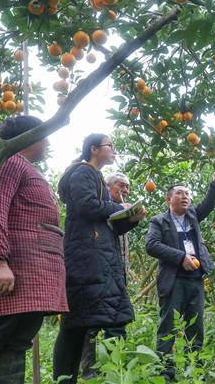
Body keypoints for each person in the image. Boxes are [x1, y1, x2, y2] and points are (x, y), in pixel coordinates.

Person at [0, 115, 68, 384]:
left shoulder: (23, 167)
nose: (48, 142)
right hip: (15, 268)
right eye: (45, 135)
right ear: (31, 137)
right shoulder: (7, 162)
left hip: (33, 272)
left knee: (17, 341)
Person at [53, 134, 145, 384]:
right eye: (110, 146)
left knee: (83, 323)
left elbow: (106, 225)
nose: (114, 150)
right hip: (87, 260)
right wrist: (121, 209)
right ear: (94, 150)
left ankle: (77, 376)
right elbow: (87, 207)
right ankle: (65, 378)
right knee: (75, 325)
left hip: (97, 258)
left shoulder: (97, 179)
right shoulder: (83, 173)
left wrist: (130, 219)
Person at [145, 170, 215, 382]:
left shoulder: (192, 217)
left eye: (188, 194)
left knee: (196, 326)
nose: (185, 196)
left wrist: (214, 184)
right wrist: (181, 257)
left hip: (195, 281)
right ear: (169, 198)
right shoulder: (159, 221)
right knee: (168, 327)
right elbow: (151, 245)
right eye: (180, 193)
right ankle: (166, 373)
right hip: (174, 281)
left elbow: (207, 205)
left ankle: (196, 371)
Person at [79, 172, 133, 380]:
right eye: (121, 185)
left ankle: (113, 368)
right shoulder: (100, 208)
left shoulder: (121, 212)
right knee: (91, 326)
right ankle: (88, 370)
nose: (126, 190)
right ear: (107, 187)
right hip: (97, 277)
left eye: (128, 187)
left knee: (116, 323)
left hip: (116, 279)